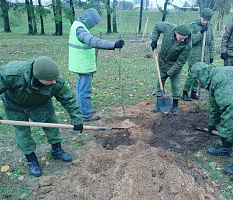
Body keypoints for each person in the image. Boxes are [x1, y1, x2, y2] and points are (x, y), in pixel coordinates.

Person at [0, 56, 83, 177]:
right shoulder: (11, 74)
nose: (54, 81)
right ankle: (31, 159)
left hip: (40, 103)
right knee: (22, 132)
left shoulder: (56, 82)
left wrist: (77, 119)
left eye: (55, 78)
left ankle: (56, 150)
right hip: (14, 105)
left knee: (51, 123)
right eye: (50, 79)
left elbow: (68, 99)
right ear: (38, 77)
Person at [69, 8, 125, 121]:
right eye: (93, 22)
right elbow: (93, 41)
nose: (93, 25)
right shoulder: (80, 29)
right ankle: (86, 115)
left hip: (80, 64)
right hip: (83, 65)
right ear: (89, 19)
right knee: (85, 90)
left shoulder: (77, 25)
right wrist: (113, 45)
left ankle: (83, 109)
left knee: (80, 89)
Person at [191, 62, 233, 175]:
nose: (197, 83)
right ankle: (227, 148)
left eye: (196, 80)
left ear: (200, 77)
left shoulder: (218, 81)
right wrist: (212, 123)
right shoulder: (213, 78)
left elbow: (230, 110)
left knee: (228, 129)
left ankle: (227, 145)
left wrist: (226, 133)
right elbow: (216, 105)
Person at [151, 23, 192, 115]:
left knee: (176, 86)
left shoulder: (187, 45)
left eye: (184, 38)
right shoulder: (168, 28)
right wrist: (154, 40)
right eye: (181, 38)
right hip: (162, 62)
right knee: (160, 83)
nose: (182, 40)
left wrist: (169, 73)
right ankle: (159, 103)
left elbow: (180, 62)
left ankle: (175, 105)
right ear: (175, 32)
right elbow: (157, 26)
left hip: (174, 66)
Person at [183, 8, 214, 101]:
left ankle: (194, 92)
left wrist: (211, 55)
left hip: (206, 55)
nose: (205, 22)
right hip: (195, 55)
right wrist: (200, 32)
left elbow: (211, 42)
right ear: (201, 17)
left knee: (200, 75)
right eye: (204, 20)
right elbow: (191, 41)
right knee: (192, 75)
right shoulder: (193, 26)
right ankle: (185, 92)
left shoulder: (210, 27)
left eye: (207, 20)